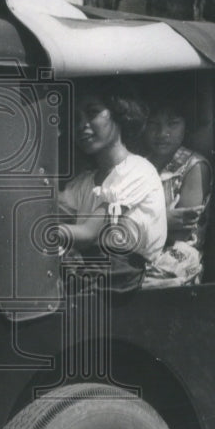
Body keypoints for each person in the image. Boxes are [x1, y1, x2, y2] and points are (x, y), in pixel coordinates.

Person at [58, 79, 166, 288]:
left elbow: (89, 233)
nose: (82, 125)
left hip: (123, 279)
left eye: (92, 113)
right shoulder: (84, 183)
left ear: (119, 113)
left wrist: (39, 232)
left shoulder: (137, 170)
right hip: (94, 275)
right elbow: (54, 209)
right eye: (75, 118)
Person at [141, 96, 213, 286]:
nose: (162, 133)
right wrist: (164, 220)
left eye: (172, 124)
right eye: (153, 124)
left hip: (178, 258)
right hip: (142, 252)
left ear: (185, 126)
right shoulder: (139, 164)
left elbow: (182, 230)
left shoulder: (194, 165)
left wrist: (145, 221)